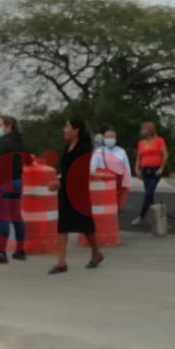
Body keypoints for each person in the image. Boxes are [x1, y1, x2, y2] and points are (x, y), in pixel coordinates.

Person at [50, 118, 103, 275]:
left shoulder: (84, 148)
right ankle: (61, 262)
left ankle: (96, 252)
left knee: (85, 225)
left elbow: (78, 172)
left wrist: (60, 182)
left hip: (78, 191)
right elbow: (66, 170)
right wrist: (59, 181)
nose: (64, 129)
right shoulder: (67, 147)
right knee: (63, 226)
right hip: (65, 191)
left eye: (67, 126)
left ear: (76, 130)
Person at [0, 115, 28, 264]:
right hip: (18, 181)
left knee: (3, 217)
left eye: (0, 125)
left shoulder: (3, 143)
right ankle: (20, 250)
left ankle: (1, 253)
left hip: (4, 183)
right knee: (16, 216)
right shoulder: (20, 142)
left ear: (8, 126)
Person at [132, 122, 168, 226]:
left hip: (155, 170)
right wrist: (136, 169)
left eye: (144, 129)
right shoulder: (141, 143)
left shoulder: (159, 141)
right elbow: (139, 157)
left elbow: (165, 155)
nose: (142, 131)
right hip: (145, 170)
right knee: (150, 196)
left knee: (148, 193)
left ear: (150, 130)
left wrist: (161, 168)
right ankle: (155, 218)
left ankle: (141, 216)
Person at [90, 125, 132, 209]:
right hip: (102, 182)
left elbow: (126, 168)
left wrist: (127, 184)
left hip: (118, 184)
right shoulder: (98, 152)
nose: (110, 139)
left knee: (114, 206)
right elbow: (92, 169)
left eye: (112, 137)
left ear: (116, 138)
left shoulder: (121, 151)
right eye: (107, 137)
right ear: (104, 138)